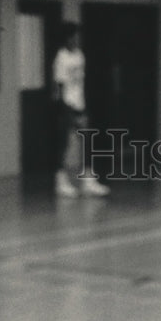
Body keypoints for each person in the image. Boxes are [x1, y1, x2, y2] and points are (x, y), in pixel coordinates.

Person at [51, 22, 109, 198]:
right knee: (64, 144)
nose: (78, 39)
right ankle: (60, 181)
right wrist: (65, 109)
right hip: (65, 106)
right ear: (68, 38)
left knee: (88, 140)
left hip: (79, 105)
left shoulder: (80, 56)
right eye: (75, 36)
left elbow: (80, 84)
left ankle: (88, 180)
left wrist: (82, 108)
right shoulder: (61, 58)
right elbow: (58, 87)